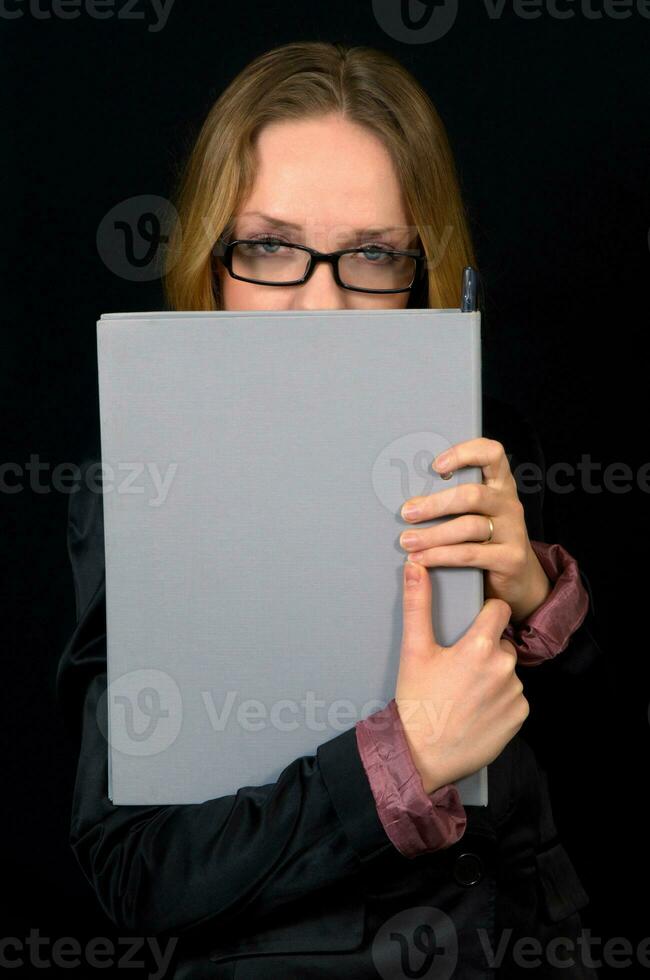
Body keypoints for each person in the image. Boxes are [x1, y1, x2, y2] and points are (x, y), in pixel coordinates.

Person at [56, 41, 605, 979]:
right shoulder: (142, 488)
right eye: (270, 245)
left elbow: (589, 777)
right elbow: (137, 871)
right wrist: (401, 760)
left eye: (372, 255)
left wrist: (540, 607)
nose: (320, 304)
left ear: (426, 271)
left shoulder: (486, 443)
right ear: (212, 259)